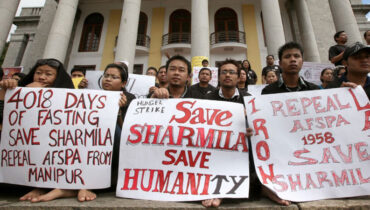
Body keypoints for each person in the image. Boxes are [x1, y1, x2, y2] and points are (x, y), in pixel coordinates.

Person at [0, 58, 96, 202]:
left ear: (58, 77)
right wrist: (13, 91)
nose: (42, 77)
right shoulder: (21, 89)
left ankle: (63, 186)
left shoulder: (70, 99)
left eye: (48, 74)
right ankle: (39, 185)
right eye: (38, 73)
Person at [261, 42, 319, 205]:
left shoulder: (314, 90)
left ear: (302, 60)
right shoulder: (268, 91)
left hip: (309, 148)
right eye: (287, 57)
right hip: (281, 149)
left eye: (296, 56)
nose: (292, 60)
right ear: (280, 63)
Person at [203, 59, 253, 207]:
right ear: (218, 77)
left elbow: (258, 128)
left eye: (232, 72)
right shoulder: (207, 99)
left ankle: (224, 192)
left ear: (238, 77)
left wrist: (249, 128)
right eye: (224, 72)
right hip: (214, 149)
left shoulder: (249, 99)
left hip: (240, 152)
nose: (228, 75)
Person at [101, 63, 136, 190]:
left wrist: (118, 112)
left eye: (114, 77)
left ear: (123, 83)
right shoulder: (93, 96)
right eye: (106, 76)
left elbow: (127, 131)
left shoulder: (130, 99)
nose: (108, 79)